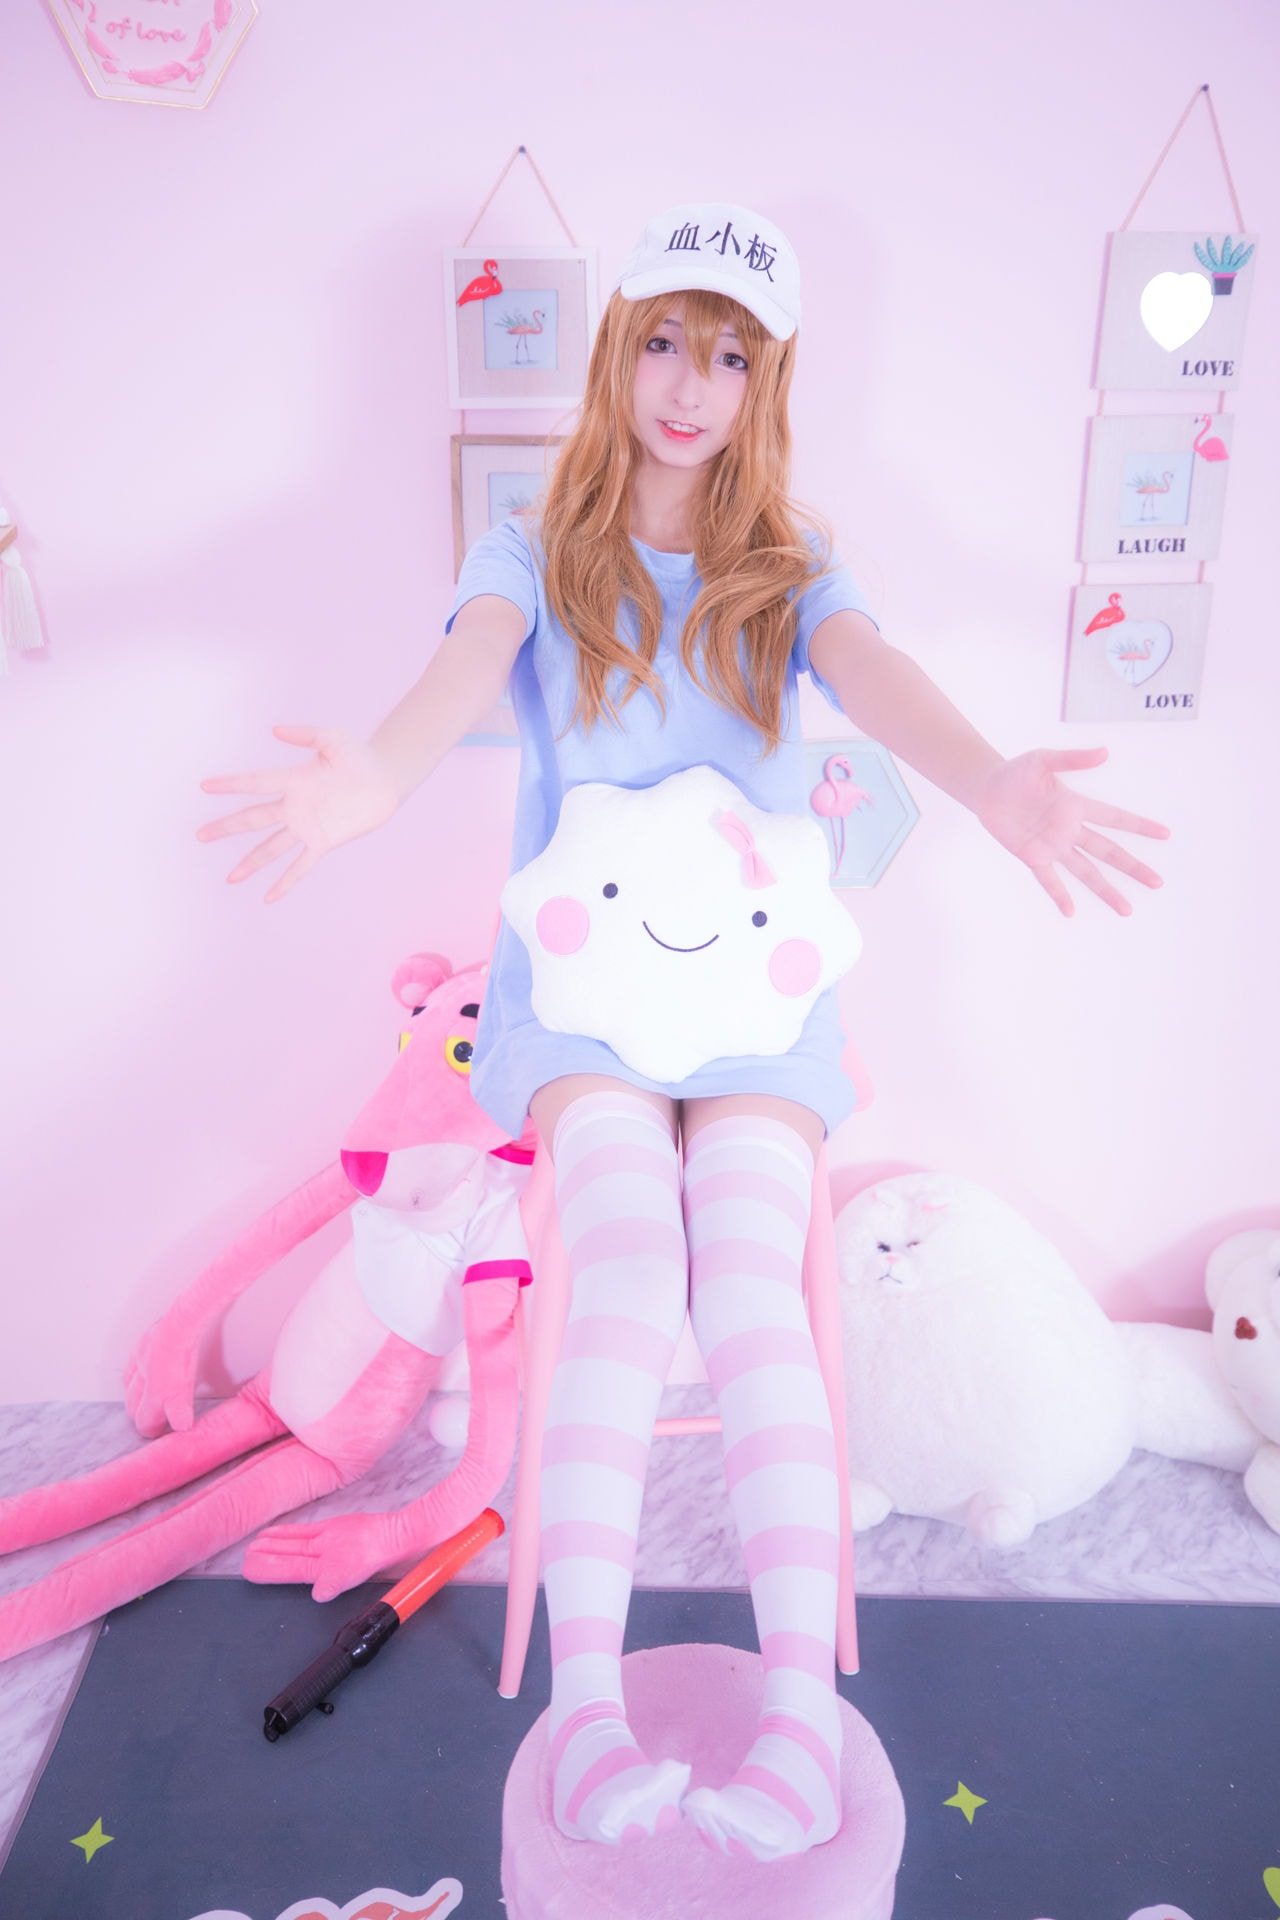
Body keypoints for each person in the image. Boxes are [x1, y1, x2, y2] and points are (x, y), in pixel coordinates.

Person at [199, 201, 1168, 1862]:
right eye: (663, 340)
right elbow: (459, 681)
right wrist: (371, 779)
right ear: (616, 349)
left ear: (764, 383)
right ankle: (587, 1717)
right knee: (634, 1278)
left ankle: (799, 1722)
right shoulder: (533, 554)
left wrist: (996, 780)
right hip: (586, 1005)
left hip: (753, 1008)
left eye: (728, 356)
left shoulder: (794, 567)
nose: (688, 385)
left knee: (755, 1292)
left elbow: (878, 673)